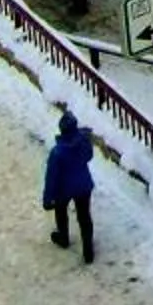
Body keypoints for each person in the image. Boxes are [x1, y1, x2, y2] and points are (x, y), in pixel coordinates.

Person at [42, 107, 95, 262]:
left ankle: (63, 237)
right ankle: (88, 251)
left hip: (63, 189)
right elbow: (89, 156)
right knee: (84, 217)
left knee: (61, 211)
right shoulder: (83, 143)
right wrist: (85, 138)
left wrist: (47, 199)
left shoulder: (57, 152)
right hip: (84, 185)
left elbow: (51, 178)